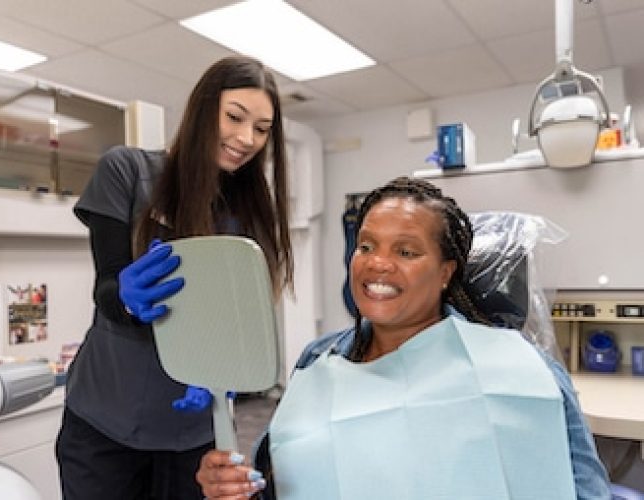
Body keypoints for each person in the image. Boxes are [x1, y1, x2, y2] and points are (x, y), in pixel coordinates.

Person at [196, 177, 611, 500]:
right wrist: (232, 485)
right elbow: (272, 482)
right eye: (366, 246)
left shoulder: (519, 371)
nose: (377, 264)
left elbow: (581, 489)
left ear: (446, 272)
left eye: (406, 252)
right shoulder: (318, 360)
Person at [55, 55, 293, 500]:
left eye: (261, 129)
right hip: (105, 421)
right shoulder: (126, 170)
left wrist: (223, 374)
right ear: (204, 108)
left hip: (193, 433)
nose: (246, 139)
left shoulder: (244, 212)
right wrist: (125, 299)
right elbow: (106, 285)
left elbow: (232, 323)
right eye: (235, 117)